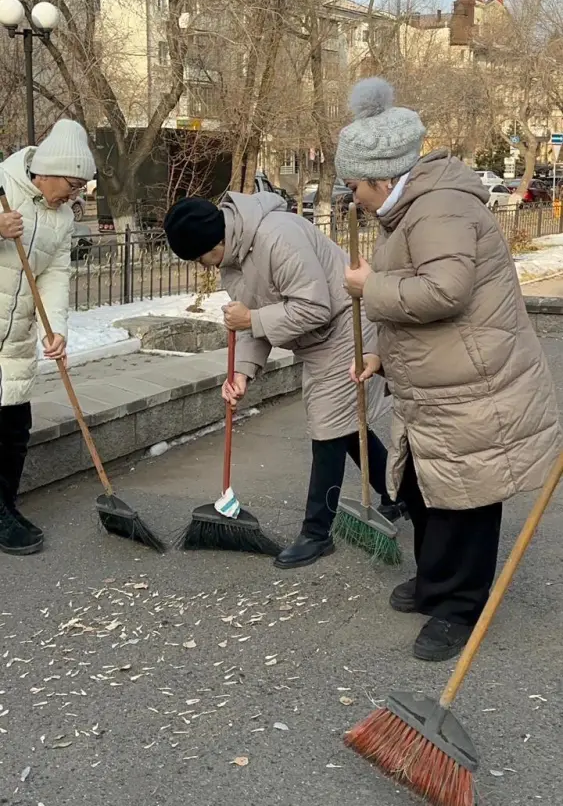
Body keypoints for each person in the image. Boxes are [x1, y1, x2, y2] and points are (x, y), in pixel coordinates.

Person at [335, 76, 562, 661]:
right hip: (439, 384)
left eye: (354, 185)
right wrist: (382, 355)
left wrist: (371, 285)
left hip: (475, 384)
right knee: (422, 488)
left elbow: (445, 291)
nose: (352, 196)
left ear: (383, 177)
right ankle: (438, 584)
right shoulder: (411, 209)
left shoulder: (437, 208)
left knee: (465, 498)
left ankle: (461, 607)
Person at [164, 190, 403, 568]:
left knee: (327, 428)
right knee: (342, 425)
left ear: (218, 241)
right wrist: (242, 373)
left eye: (201, 257)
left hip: (346, 327)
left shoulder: (278, 236)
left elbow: (314, 307)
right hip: (316, 338)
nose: (206, 267)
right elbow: (249, 321)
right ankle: (397, 494)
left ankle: (316, 532)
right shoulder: (233, 261)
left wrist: (252, 320)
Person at [0, 119, 96, 555]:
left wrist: (54, 330)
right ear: (51, 170)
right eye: (73, 185)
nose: (75, 195)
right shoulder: (4, 186)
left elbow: (56, 275)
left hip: (15, 332)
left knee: (15, 427)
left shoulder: (60, 218)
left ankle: (6, 506)